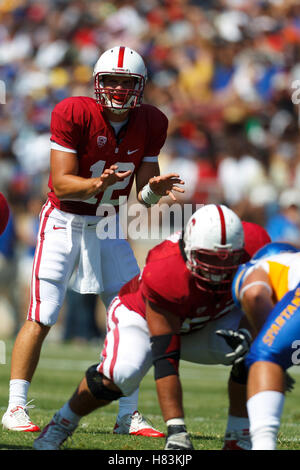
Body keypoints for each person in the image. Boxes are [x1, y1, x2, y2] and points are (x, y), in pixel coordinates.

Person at [2, 46, 185, 436]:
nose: (119, 89)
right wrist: (95, 184)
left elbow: (143, 194)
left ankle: (129, 414)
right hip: (64, 221)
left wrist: (154, 189)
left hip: (108, 224)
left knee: (136, 314)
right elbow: (62, 183)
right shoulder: (73, 112)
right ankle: (15, 406)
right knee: (42, 314)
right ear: (97, 83)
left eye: (127, 82)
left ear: (141, 86)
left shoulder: (152, 121)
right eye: (112, 81)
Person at [32, 204, 271, 450]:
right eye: (208, 259)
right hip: (141, 316)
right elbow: (166, 358)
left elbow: (262, 300)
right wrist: (176, 429)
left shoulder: (257, 244)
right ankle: (62, 422)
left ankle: (237, 436)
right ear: (188, 249)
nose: (218, 272)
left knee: (253, 346)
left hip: (205, 320)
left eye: (228, 260)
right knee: (121, 374)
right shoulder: (166, 272)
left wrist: (252, 335)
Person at [231, 241, 300, 450]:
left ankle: (263, 445)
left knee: (263, 355)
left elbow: (255, 295)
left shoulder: (258, 266)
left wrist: (273, 353)